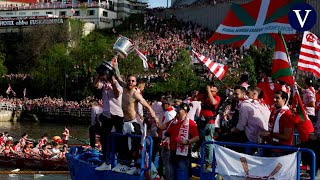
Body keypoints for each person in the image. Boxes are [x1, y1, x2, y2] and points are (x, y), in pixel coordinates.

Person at [114, 72, 160, 175]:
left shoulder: (135, 94)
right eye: (129, 80)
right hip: (124, 122)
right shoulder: (124, 87)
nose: (130, 82)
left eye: (133, 81)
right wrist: (115, 63)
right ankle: (124, 164)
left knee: (135, 145)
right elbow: (117, 74)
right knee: (123, 144)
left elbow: (147, 106)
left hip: (133, 123)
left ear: (135, 83)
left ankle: (135, 166)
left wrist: (155, 119)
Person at [94, 61, 124, 171]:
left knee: (120, 138)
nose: (104, 76)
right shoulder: (103, 84)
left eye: (106, 74)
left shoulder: (117, 84)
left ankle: (121, 163)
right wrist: (98, 75)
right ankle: (107, 162)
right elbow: (95, 85)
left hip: (117, 114)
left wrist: (113, 81)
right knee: (104, 138)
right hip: (107, 114)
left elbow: (117, 94)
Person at [162, 103, 199, 179]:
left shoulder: (190, 123)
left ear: (185, 111)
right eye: (177, 109)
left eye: (180, 109)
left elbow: (197, 137)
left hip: (183, 154)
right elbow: (163, 128)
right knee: (172, 175)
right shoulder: (173, 122)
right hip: (172, 151)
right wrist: (154, 118)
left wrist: (187, 142)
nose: (177, 111)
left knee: (182, 174)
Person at [260, 90, 295, 156]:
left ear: (284, 100)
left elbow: (286, 136)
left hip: (281, 151)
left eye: (277, 98)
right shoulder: (277, 112)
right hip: (273, 148)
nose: (274, 99)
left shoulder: (287, 115)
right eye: (274, 97)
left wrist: (269, 134)